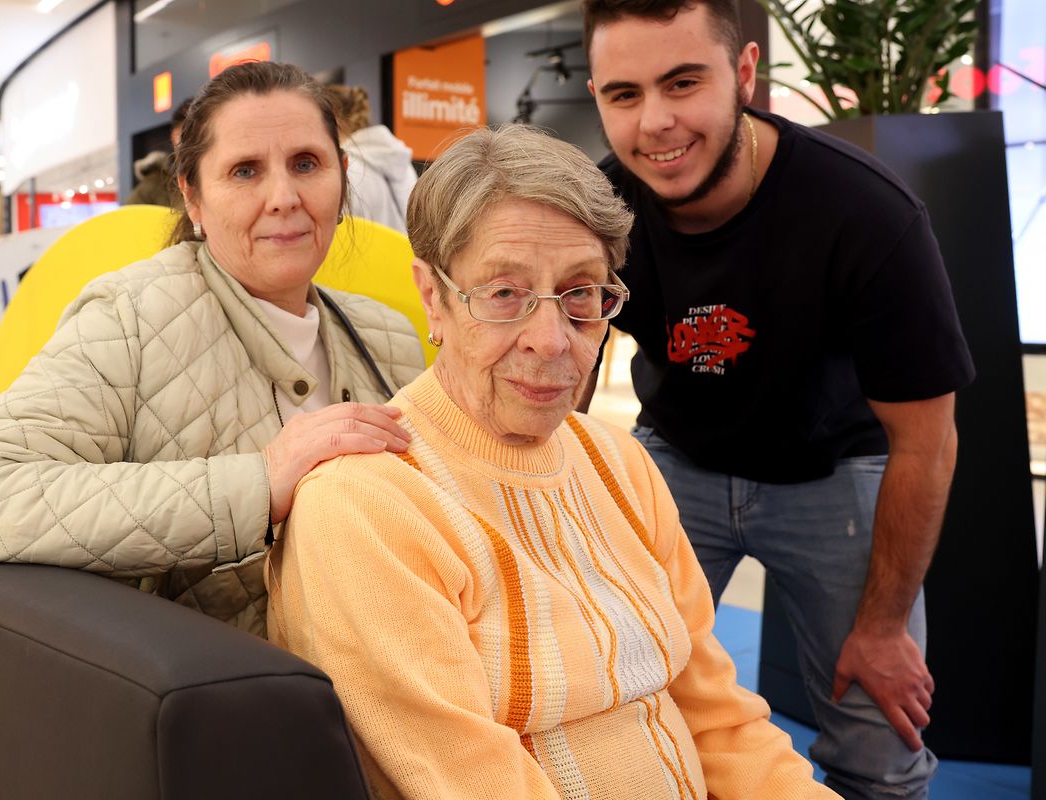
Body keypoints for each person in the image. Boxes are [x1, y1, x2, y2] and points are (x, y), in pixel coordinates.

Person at [267, 124, 839, 800]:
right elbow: (471, 783)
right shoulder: (367, 504)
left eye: (581, 295)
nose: (551, 340)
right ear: (434, 298)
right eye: (504, 294)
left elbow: (719, 720)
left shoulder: (618, 463)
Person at [579, 1, 975, 797]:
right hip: (679, 456)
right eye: (623, 95)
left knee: (879, 738)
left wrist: (885, 626)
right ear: (597, 96)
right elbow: (571, 373)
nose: (654, 122)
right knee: (616, 697)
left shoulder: (866, 211)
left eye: (683, 82)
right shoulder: (601, 207)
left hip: (834, 470)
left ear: (747, 75)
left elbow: (927, 441)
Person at [0, 61, 425, 637]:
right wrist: (257, 485)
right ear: (194, 198)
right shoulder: (130, 319)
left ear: (342, 179)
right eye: (244, 171)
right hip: (235, 710)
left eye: (306, 163)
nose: (284, 196)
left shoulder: (389, 337)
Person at [325, 84, 418, 234]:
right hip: (407, 255)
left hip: (367, 256)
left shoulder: (347, 169)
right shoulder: (402, 162)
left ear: (335, 120)